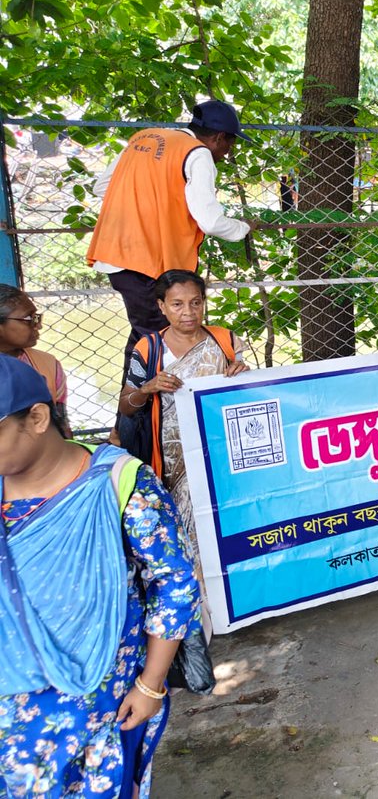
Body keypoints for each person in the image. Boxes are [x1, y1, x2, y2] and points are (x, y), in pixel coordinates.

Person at [0, 354, 201, 797]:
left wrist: (151, 685)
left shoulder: (118, 482)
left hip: (98, 698)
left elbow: (175, 582)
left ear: (36, 418)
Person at [117, 270, 249, 631]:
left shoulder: (224, 340)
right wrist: (147, 388)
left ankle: (233, 605)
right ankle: (200, 616)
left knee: (224, 528)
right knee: (187, 534)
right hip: (172, 460)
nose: (188, 312)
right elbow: (127, 406)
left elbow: (252, 394)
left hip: (219, 455)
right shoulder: (149, 349)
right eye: (177, 304)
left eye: (196, 302)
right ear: (161, 306)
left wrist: (244, 374)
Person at [87, 100, 254, 372]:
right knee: (164, 346)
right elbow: (210, 221)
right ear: (218, 138)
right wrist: (243, 228)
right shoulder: (197, 153)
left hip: (115, 254)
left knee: (145, 340)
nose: (226, 153)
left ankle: (131, 410)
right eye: (229, 145)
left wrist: (152, 204)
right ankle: (159, 412)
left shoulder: (146, 138)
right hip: (148, 263)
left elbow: (102, 186)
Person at [0, 286, 70, 436]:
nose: (39, 325)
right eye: (29, 319)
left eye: (37, 317)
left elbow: (61, 425)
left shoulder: (49, 364)